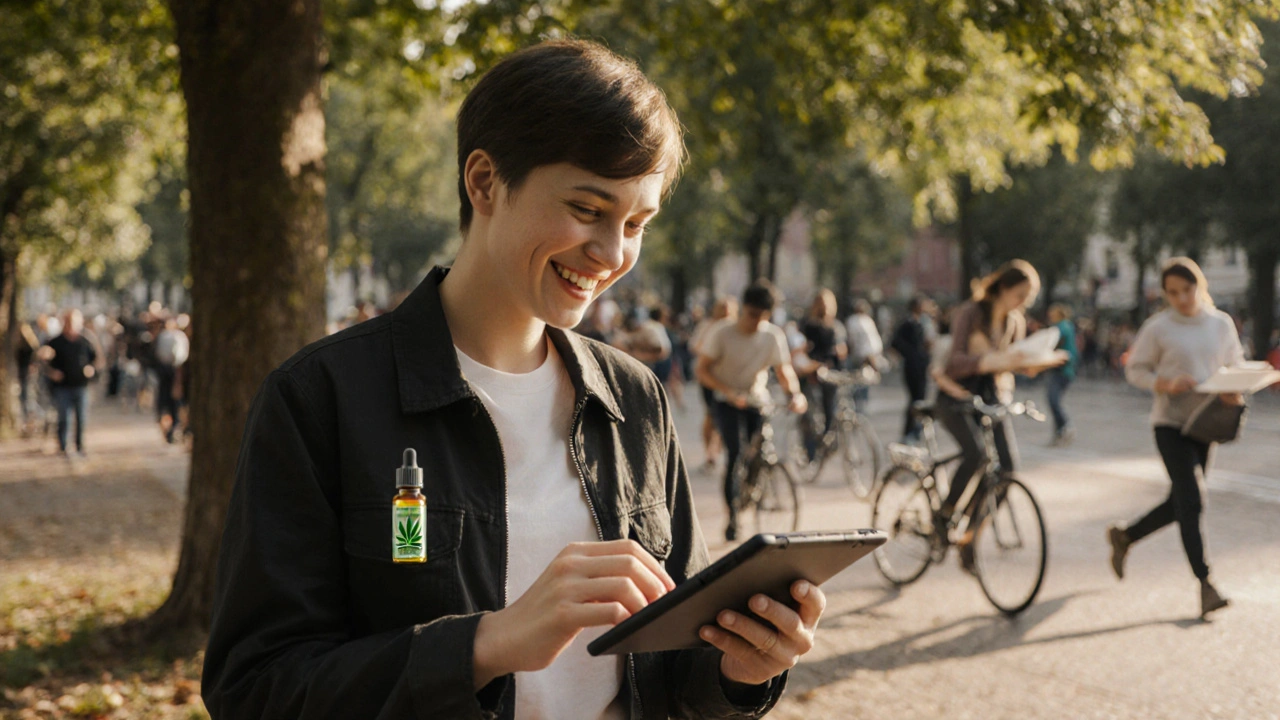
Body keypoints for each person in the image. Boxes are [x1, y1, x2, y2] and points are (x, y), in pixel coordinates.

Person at [203, 40, 825, 720]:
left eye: (636, 223)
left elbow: (674, 674)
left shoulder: (635, 399)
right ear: (484, 183)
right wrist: (486, 643)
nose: (613, 253)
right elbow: (253, 689)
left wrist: (741, 668)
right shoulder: (318, 400)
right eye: (588, 209)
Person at [1106, 257, 1242, 619]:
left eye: (1187, 289)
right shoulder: (1158, 327)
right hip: (1170, 424)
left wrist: (1235, 390)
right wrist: (1165, 383)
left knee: (1180, 502)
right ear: (1165, 295)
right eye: (1173, 293)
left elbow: (1235, 366)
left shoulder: (1221, 323)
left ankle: (1125, 536)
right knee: (1193, 500)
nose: (1182, 298)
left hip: (1206, 424)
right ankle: (1206, 584)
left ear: (1200, 285)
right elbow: (1134, 369)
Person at [937, 261, 1065, 559]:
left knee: (1007, 470)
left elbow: (1011, 364)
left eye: (1028, 298)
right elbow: (954, 362)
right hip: (957, 394)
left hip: (992, 396)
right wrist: (990, 361)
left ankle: (971, 535)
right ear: (1004, 287)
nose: (1023, 303)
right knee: (975, 454)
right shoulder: (970, 313)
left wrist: (1034, 363)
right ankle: (943, 515)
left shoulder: (1014, 322)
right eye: (1021, 294)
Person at [695, 280, 807, 542]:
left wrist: (795, 394)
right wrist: (728, 391)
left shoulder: (772, 336)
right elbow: (702, 370)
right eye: (752, 314)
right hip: (727, 400)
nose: (756, 321)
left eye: (763, 316)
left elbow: (784, 371)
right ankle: (733, 516)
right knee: (736, 453)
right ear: (743, 308)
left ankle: (753, 484)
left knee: (760, 449)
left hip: (756, 400)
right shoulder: (722, 332)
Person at [795, 289, 846, 460]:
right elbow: (801, 348)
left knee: (830, 407)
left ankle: (827, 440)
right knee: (807, 412)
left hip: (830, 371)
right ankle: (809, 448)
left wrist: (841, 352)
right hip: (810, 371)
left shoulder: (836, 326)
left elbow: (842, 349)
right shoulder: (808, 325)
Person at [691, 297, 738, 473]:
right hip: (709, 378)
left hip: (729, 378)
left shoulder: (735, 328)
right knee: (712, 415)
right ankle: (710, 454)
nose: (725, 312)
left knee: (725, 416)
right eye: (723, 308)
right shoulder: (708, 326)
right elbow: (695, 346)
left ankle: (721, 451)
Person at [44, 309, 98, 458]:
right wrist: (52, 372)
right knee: (64, 418)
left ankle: (80, 447)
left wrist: (91, 369)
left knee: (81, 418)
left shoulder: (85, 341)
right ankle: (63, 446)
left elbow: (97, 360)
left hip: (81, 385)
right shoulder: (55, 342)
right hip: (63, 387)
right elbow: (43, 361)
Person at [891, 296, 934, 442]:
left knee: (921, 397)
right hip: (912, 366)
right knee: (914, 400)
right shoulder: (907, 323)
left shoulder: (922, 323)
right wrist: (910, 353)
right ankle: (909, 430)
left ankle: (916, 429)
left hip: (921, 365)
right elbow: (895, 342)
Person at [1045, 304, 1079, 446]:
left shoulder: (1061, 327)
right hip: (1065, 369)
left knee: (1053, 400)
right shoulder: (1068, 326)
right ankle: (1059, 432)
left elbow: (1052, 343)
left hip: (1061, 369)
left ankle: (1065, 426)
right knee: (1054, 400)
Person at [844, 299, 883, 414]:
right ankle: (859, 405)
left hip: (862, 354)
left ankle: (859, 405)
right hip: (864, 355)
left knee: (861, 380)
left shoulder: (855, 321)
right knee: (860, 380)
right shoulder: (863, 321)